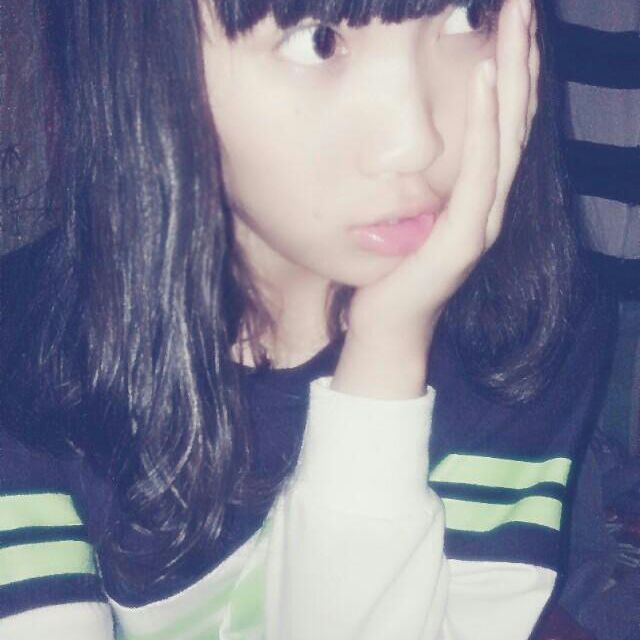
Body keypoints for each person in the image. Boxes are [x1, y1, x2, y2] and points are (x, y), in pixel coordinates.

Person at [0, 0, 607, 638]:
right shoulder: (23, 359)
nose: (415, 142)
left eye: (467, 16)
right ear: (143, 56)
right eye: (317, 40)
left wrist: (387, 355)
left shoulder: (528, 330)